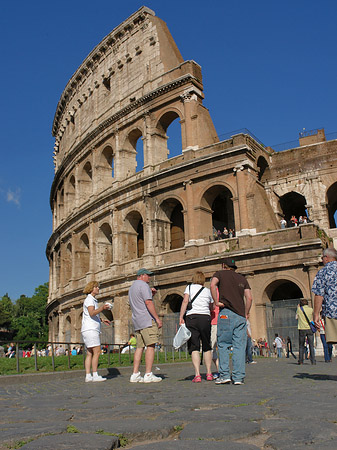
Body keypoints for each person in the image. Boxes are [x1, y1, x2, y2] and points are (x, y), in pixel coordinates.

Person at [210, 257, 252, 385]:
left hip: (226, 313)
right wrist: (246, 313)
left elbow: (212, 284)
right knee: (239, 346)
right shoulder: (242, 279)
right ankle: (238, 377)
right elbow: (249, 298)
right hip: (240, 315)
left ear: (223, 265)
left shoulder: (220, 274)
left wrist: (216, 301)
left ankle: (224, 375)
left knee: (223, 344)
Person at [179, 271, 214, 382]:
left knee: (194, 346)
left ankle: (197, 374)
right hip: (205, 317)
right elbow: (211, 306)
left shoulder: (189, 288)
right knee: (206, 345)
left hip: (192, 317)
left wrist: (181, 316)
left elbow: (185, 302)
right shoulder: (207, 291)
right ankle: (209, 373)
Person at [129, 268, 162, 383]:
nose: (149, 278)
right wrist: (157, 319)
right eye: (148, 275)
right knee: (151, 346)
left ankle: (135, 374)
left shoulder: (132, 287)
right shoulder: (144, 286)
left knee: (139, 347)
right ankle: (148, 374)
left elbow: (139, 302)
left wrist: (150, 294)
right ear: (142, 275)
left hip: (137, 321)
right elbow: (148, 303)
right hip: (146, 320)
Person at [81, 281, 111, 382]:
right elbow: (91, 313)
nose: (98, 288)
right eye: (96, 287)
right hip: (91, 329)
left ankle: (88, 376)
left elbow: (91, 315)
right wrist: (102, 308)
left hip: (87, 329)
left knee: (89, 353)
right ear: (91, 288)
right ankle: (95, 374)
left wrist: (102, 320)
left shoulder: (91, 299)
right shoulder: (90, 299)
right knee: (97, 352)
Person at [312, 248, 337, 347]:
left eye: (322, 257)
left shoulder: (323, 272)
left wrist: (316, 315)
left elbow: (319, 295)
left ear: (327, 258)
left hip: (333, 312)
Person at [296, 299, 316, 365]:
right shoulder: (311, 309)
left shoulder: (299, 309)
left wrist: (298, 307)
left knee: (301, 345)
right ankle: (313, 361)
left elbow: (296, 317)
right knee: (311, 346)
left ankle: (301, 360)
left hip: (302, 328)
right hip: (309, 328)